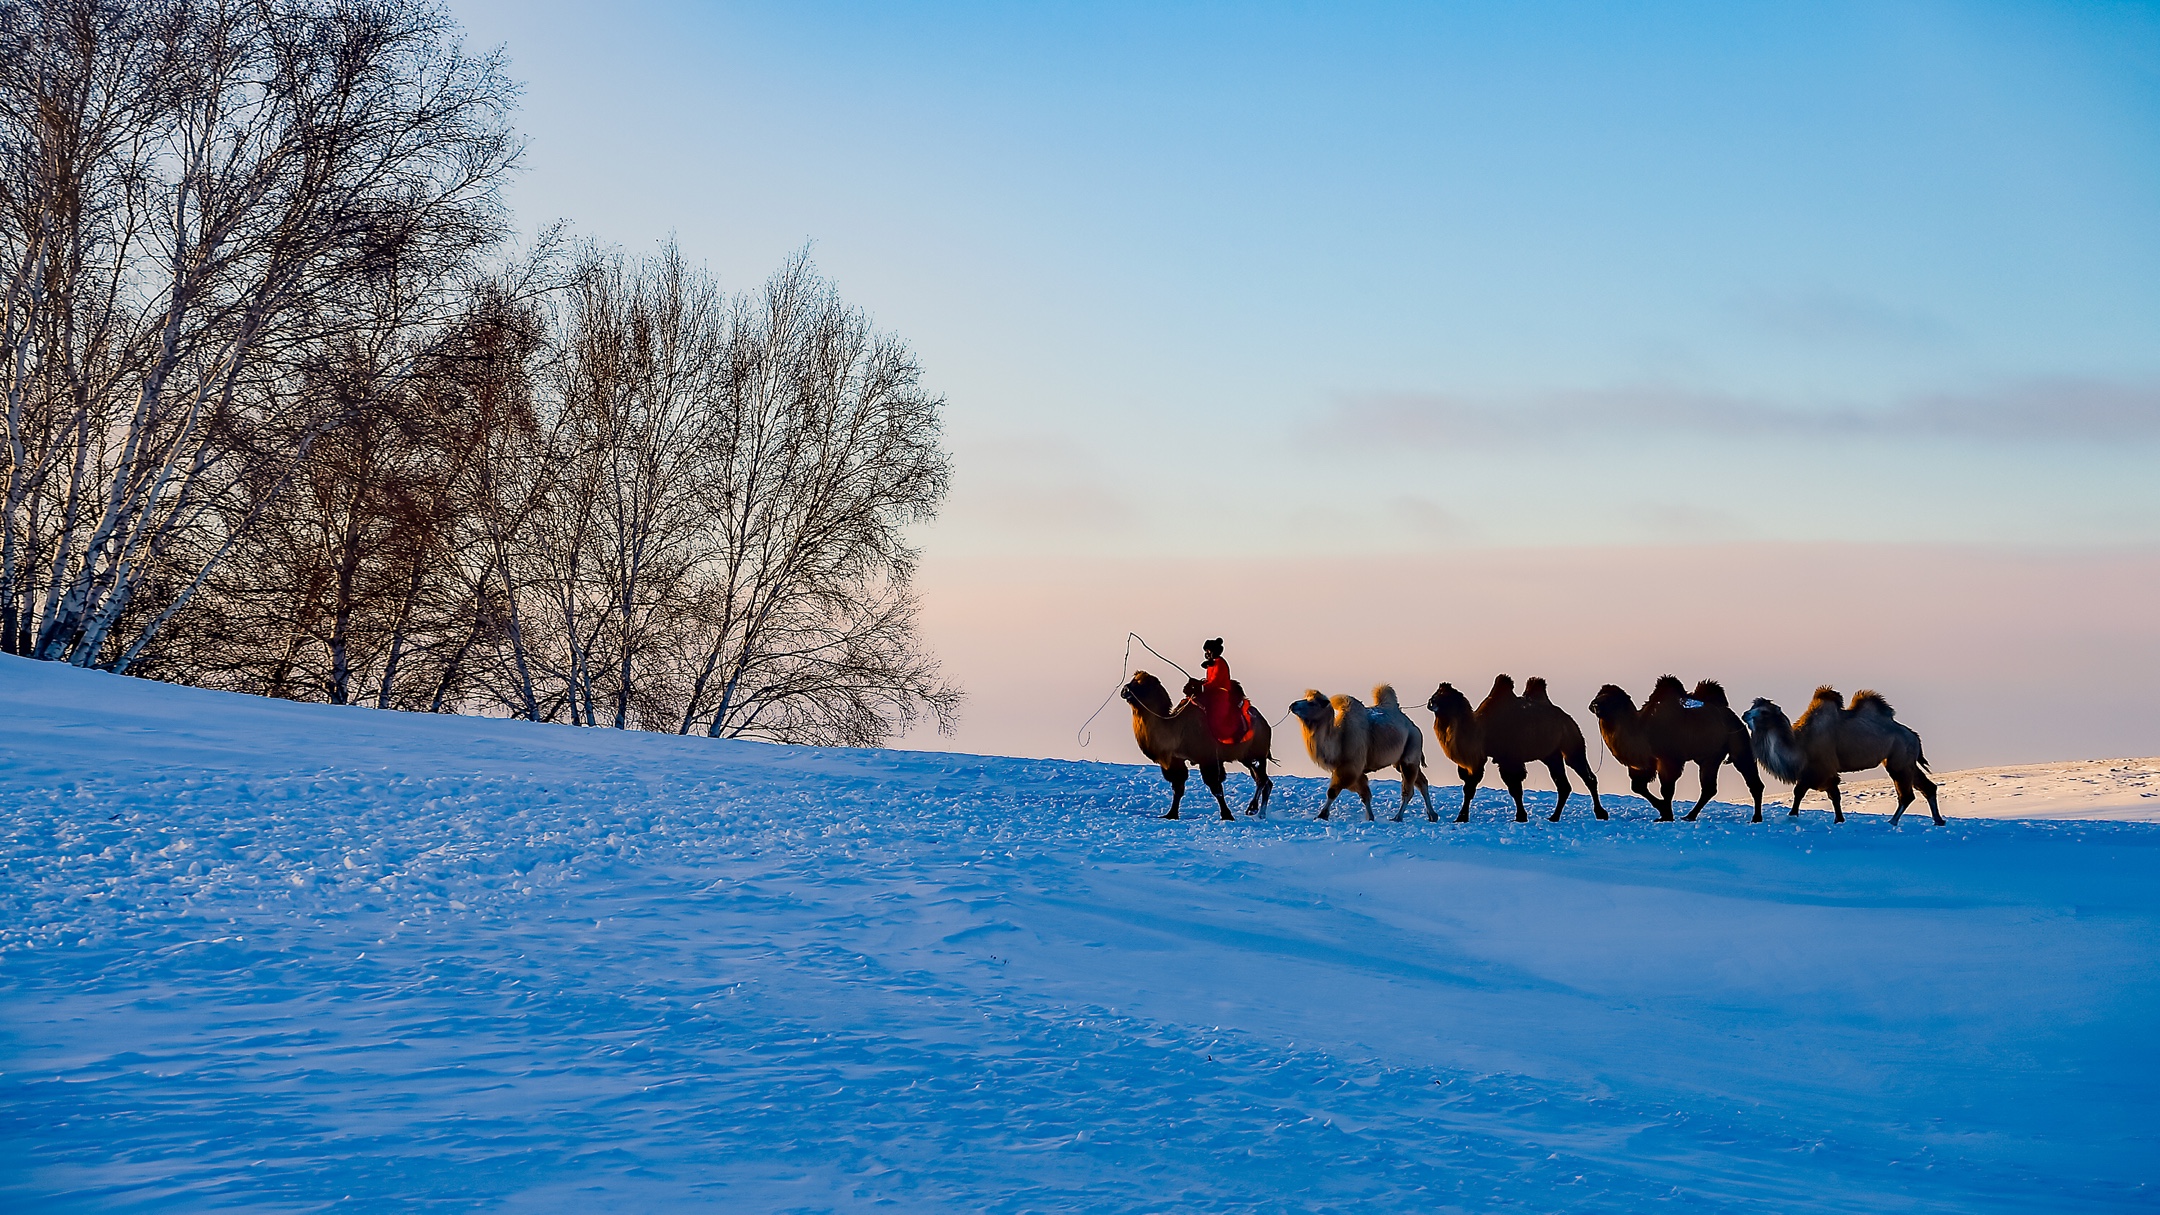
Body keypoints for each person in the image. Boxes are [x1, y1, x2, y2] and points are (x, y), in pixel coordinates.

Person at [1197, 637, 1248, 747]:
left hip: (1220, 695)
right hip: (1211, 693)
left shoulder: (1220, 663)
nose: (1206, 653)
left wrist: (1202, 687)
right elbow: (1209, 680)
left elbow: (1215, 681)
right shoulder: (1212, 664)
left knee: (1216, 715)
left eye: (1208, 651)